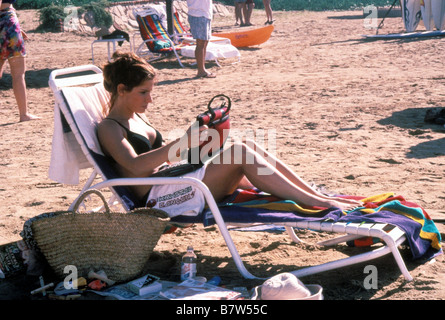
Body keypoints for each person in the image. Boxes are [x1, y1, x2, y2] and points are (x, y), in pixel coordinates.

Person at [97, 52, 363, 219]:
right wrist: (179, 145)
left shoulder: (135, 116)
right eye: (144, 92)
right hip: (160, 198)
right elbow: (132, 165)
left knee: (245, 144)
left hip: (174, 179)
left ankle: (312, 193)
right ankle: (316, 201)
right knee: (239, 153)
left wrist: (194, 145)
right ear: (121, 89)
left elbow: (159, 156)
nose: (150, 99)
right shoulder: (110, 127)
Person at [0, 0, 39, 122]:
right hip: (9, 22)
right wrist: (11, 26)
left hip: (7, 24)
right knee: (18, 74)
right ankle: (23, 114)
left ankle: (24, 114)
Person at [186, 0, 216, 78]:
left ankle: (202, 69)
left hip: (204, 14)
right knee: (200, 43)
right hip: (198, 14)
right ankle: (201, 70)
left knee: (204, 43)